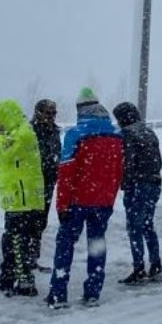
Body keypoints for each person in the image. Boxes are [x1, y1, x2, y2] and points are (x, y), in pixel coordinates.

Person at [45, 87, 123, 309]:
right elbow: (118, 171)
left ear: (80, 109)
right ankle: (93, 292)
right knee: (96, 244)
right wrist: (109, 198)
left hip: (77, 202)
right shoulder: (116, 136)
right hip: (103, 202)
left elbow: (66, 173)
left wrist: (62, 205)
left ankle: (58, 294)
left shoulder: (75, 135)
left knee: (65, 246)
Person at [0, 100, 45, 297]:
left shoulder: (23, 134)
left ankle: (25, 282)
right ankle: (8, 279)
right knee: (11, 240)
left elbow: (3, 155)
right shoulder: (18, 132)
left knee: (18, 241)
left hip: (23, 199)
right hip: (18, 198)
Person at [112, 102, 162, 284]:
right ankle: (156, 264)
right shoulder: (149, 132)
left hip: (137, 186)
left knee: (134, 227)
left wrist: (124, 183)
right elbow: (159, 161)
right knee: (148, 225)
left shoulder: (126, 135)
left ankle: (139, 267)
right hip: (154, 183)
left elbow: (127, 164)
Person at [28, 98, 61, 272]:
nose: (51, 116)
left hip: (48, 182)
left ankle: (33, 259)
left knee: (41, 222)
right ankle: (24, 261)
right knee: (29, 222)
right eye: (47, 113)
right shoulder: (30, 131)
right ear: (38, 113)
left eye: (53, 113)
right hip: (32, 184)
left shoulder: (54, 132)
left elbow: (57, 153)